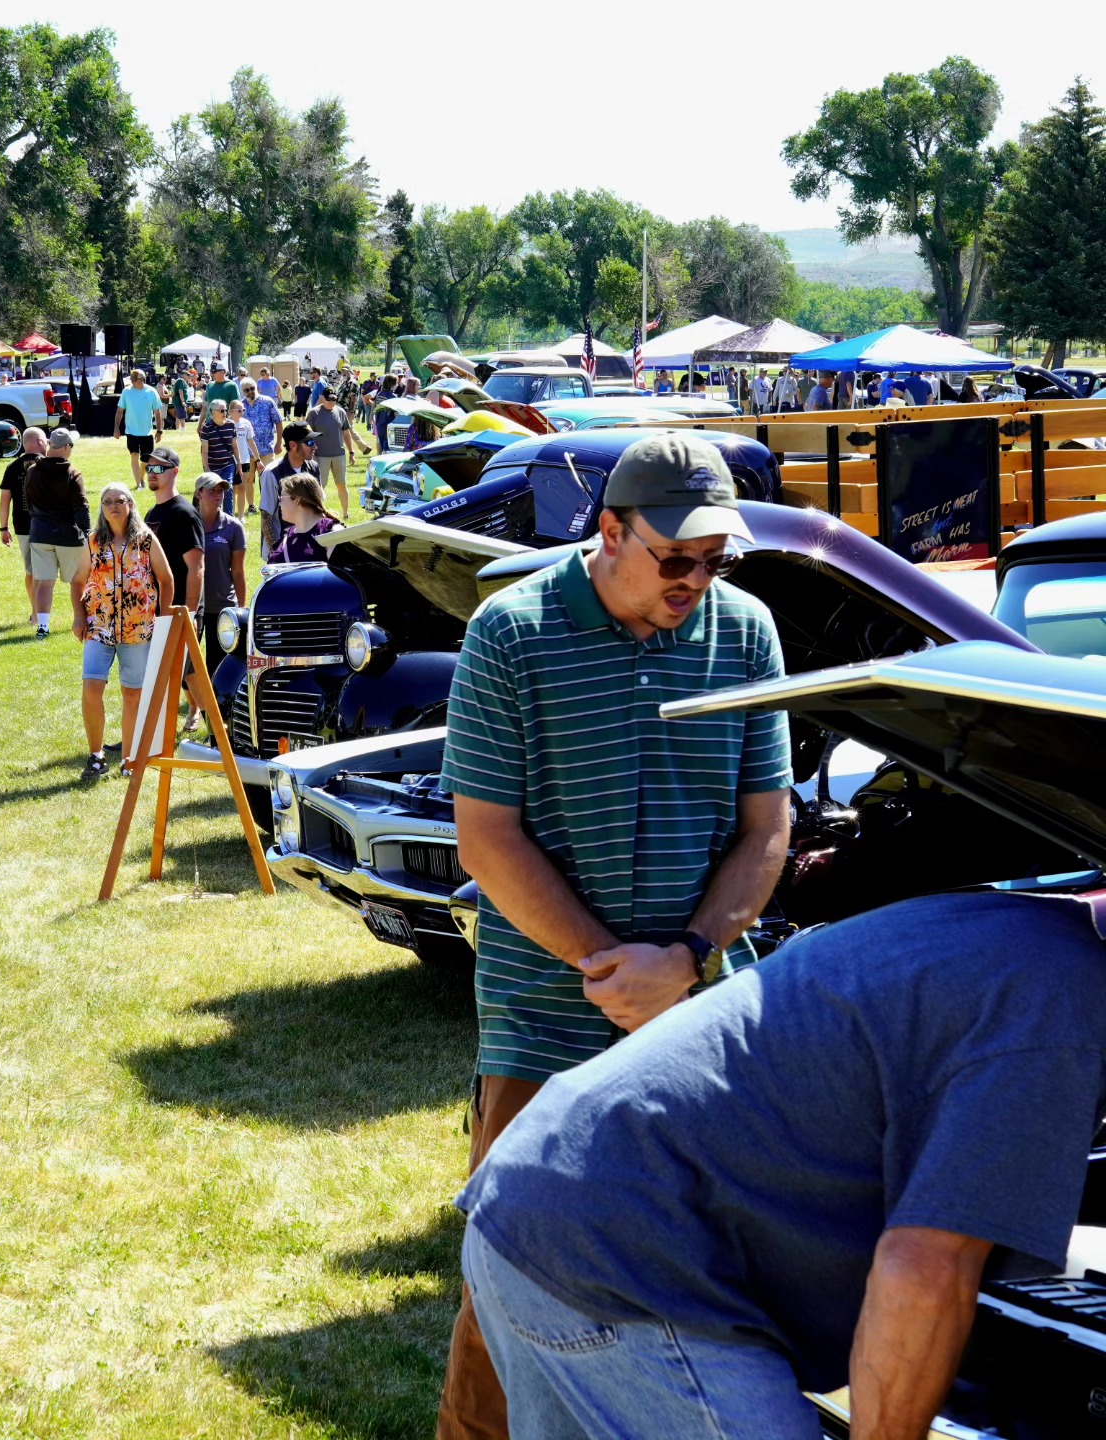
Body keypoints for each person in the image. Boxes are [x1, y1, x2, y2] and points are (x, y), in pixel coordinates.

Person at [435, 434, 792, 1440]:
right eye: (677, 557)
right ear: (609, 531)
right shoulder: (511, 634)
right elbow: (488, 838)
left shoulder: (748, 632)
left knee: (707, 1265)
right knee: (512, 1272)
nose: (697, 580)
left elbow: (768, 830)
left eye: (715, 560)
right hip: (544, 1017)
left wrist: (682, 963)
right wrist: (608, 968)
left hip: (700, 1010)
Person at [458, 891, 1106, 1440]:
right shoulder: (1060, 1017)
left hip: (534, 1189)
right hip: (626, 1260)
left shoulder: (1009, 927)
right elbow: (923, 1269)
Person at [70, 485, 174, 781]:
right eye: (107, 502)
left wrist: (163, 619)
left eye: (120, 501)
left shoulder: (145, 539)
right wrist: (79, 616)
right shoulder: (93, 541)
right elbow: (78, 581)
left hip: (137, 629)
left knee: (132, 694)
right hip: (98, 627)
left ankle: (129, 758)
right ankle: (96, 756)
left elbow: (166, 579)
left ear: (131, 504)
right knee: (91, 688)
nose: (113, 506)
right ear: (100, 508)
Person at [144, 445, 205, 727]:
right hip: (156, 609)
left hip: (181, 607)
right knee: (187, 671)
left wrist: (190, 612)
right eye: (149, 468)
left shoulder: (184, 513)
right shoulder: (150, 515)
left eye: (158, 468)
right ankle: (209, 722)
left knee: (179, 669)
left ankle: (151, 732)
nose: (151, 473)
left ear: (175, 472)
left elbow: (196, 566)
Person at [24, 427, 90, 638]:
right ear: (67, 447)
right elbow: (81, 507)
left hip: (40, 533)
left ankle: (43, 626)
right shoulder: (73, 473)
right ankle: (82, 620)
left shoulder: (32, 470)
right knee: (77, 581)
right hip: (68, 535)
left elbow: (28, 502)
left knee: (44, 582)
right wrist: (89, 533)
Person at [195, 473, 248, 677]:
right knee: (185, 660)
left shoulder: (233, 527)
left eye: (221, 491)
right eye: (212, 490)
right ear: (199, 493)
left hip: (222, 605)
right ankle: (194, 701)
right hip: (193, 605)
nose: (218, 495)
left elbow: (238, 570)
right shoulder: (189, 524)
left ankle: (212, 707)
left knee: (217, 666)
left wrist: (242, 608)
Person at [0, 425, 47, 623]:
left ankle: (35, 611)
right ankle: (37, 614)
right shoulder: (49, 465)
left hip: (22, 525)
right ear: (40, 442)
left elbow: (4, 500)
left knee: (30, 570)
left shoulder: (12, 467)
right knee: (41, 571)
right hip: (46, 525)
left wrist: (3, 527)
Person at [260, 422, 320, 560]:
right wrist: (276, 552)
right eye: (310, 442)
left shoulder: (314, 468)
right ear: (293, 445)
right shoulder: (272, 473)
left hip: (309, 545)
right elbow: (265, 516)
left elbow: (318, 506)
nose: (315, 447)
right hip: (282, 546)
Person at [306, 387, 363, 517]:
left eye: (334, 400)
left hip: (339, 455)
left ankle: (345, 513)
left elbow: (346, 433)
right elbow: (308, 435)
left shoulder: (341, 412)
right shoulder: (314, 413)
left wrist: (352, 452)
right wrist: (311, 454)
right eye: (329, 400)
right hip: (321, 456)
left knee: (342, 484)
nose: (332, 402)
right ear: (323, 399)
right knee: (320, 486)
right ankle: (318, 513)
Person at [268, 474, 343, 563]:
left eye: (281, 499)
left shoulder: (332, 532)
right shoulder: (287, 536)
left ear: (297, 500)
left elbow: (344, 574)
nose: (279, 504)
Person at [240, 376, 283, 517]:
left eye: (252, 388)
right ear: (243, 392)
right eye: (246, 390)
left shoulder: (268, 402)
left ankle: (268, 505)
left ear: (256, 388)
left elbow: (278, 422)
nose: (250, 392)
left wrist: (278, 443)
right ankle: (251, 506)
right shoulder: (241, 407)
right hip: (246, 452)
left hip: (266, 449)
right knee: (248, 479)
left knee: (267, 478)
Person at [115, 368, 164, 491]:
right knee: (134, 456)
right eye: (134, 380)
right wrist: (116, 428)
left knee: (146, 460)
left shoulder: (151, 392)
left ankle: (141, 478)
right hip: (131, 431)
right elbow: (119, 411)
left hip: (147, 432)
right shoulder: (126, 392)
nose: (135, 382)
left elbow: (158, 413)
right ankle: (139, 484)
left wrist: (159, 431)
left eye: (139, 380)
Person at [198, 399, 239, 515]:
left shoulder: (231, 425)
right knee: (213, 491)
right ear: (213, 412)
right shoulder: (206, 428)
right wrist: (206, 468)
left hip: (228, 464)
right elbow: (204, 451)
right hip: (213, 465)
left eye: (225, 410)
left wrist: (239, 462)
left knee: (228, 488)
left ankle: (228, 518)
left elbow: (234, 446)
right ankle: (213, 515)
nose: (224, 412)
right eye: (221, 410)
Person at [227, 397, 263, 517]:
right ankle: (231, 515)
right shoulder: (226, 424)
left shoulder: (246, 423)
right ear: (231, 411)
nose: (242, 412)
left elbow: (251, 442)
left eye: (243, 410)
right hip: (231, 461)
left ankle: (241, 516)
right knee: (232, 490)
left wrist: (258, 460)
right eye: (239, 410)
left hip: (245, 461)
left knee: (242, 488)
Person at [200, 360, 239, 425]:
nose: (212, 374)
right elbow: (205, 407)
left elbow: (235, 408)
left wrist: (227, 424)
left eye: (214, 372)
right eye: (211, 372)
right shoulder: (209, 385)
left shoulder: (232, 386)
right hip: (209, 425)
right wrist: (200, 425)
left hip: (224, 425)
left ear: (223, 371)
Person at [372, 373, 399, 452]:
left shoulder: (379, 395)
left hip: (379, 424)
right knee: (387, 449)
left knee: (382, 446)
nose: (397, 385)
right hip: (389, 425)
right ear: (392, 384)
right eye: (396, 383)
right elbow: (396, 412)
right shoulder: (393, 396)